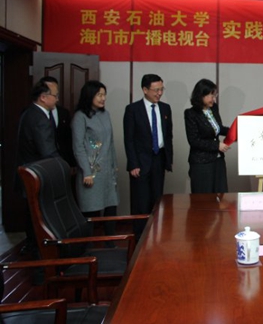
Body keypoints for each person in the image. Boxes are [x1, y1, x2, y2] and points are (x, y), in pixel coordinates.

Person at [124, 74, 173, 240]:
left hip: (159, 159)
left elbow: (168, 136)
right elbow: (129, 139)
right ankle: (140, 240)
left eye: (161, 89)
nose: (159, 93)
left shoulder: (165, 108)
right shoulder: (133, 109)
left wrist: (168, 159)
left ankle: (156, 238)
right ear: (145, 90)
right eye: (156, 90)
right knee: (141, 203)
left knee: (157, 202)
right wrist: (133, 164)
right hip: (140, 162)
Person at [15, 78, 61, 258]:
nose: (57, 99)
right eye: (55, 95)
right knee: (39, 221)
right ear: (43, 97)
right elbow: (48, 153)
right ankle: (42, 261)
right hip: (38, 177)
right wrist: (63, 168)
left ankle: (35, 251)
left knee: (32, 219)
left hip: (30, 176)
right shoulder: (40, 119)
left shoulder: (29, 113)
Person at [72, 81, 119, 238]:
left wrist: (114, 166)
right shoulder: (80, 117)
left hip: (108, 171)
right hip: (91, 172)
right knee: (91, 209)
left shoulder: (105, 114)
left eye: (104, 95)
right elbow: (78, 147)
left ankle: (110, 241)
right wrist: (86, 172)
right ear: (89, 95)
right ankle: (87, 244)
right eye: (99, 95)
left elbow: (111, 142)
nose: (103, 98)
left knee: (111, 206)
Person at [184, 79, 230, 193]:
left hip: (218, 161)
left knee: (221, 195)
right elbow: (194, 140)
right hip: (201, 163)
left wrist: (236, 131)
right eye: (211, 96)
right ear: (201, 95)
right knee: (203, 198)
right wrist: (217, 145)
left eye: (215, 95)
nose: (214, 99)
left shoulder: (213, 108)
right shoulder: (191, 113)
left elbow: (218, 129)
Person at [40, 76, 76, 167]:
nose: (56, 98)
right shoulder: (35, 115)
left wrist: (72, 163)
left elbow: (68, 139)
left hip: (62, 162)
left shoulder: (63, 113)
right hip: (42, 163)